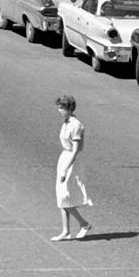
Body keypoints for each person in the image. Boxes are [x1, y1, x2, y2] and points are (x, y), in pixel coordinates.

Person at [51, 95, 93, 241]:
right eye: (59, 107)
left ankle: (84, 224)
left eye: (61, 108)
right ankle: (66, 231)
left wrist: (65, 169)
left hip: (71, 160)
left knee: (64, 196)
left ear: (69, 108)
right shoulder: (66, 122)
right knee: (61, 195)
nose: (59, 110)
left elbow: (75, 150)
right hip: (64, 158)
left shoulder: (76, 125)